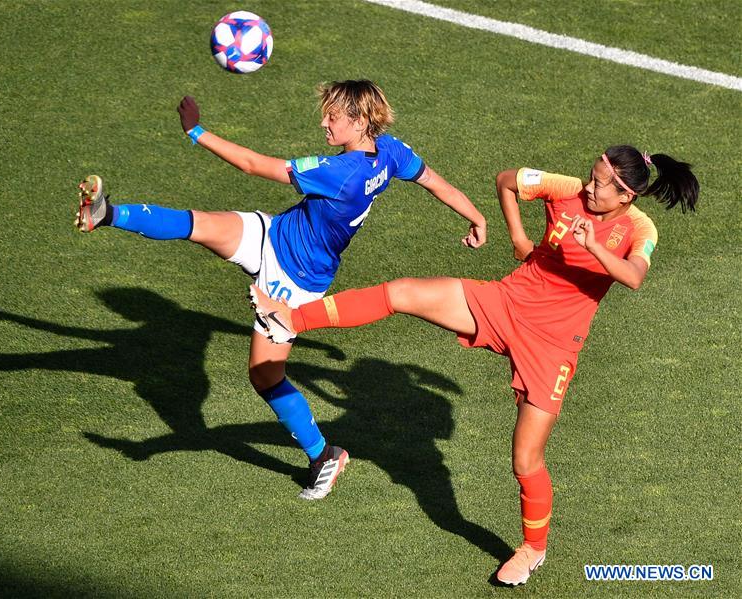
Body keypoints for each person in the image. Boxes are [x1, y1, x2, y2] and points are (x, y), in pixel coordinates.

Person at [250, 145, 698, 582]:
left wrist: (595, 248)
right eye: (591, 175)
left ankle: (532, 549)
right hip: (506, 302)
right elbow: (507, 181)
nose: (588, 188)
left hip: (554, 346)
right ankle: (290, 319)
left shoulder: (640, 228)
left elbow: (634, 277)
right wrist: (521, 239)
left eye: (599, 186)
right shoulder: (567, 189)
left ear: (626, 196)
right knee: (403, 292)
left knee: (525, 459)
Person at [74, 80, 487, 500]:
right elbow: (435, 181)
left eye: (333, 116)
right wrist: (477, 217)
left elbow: (255, 165)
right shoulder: (391, 151)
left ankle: (324, 455)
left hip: (295, 282)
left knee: (264, 375)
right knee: (197, 224)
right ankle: (107, 213)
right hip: (274, 233)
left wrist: (196, 132)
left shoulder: (337, 174)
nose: (323, 122)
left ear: (360, 120)